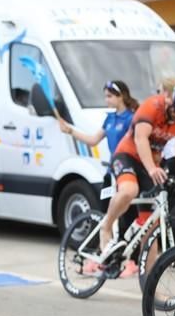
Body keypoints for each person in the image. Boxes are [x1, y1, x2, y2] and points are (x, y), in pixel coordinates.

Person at [59, 80, 139, 276]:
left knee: (127, 216)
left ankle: (130, 261)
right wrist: (70, 130)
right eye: (105, 96)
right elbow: (93, 140)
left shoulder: (131, 118)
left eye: (110, 96)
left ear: (121, 96)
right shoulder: (109, 119)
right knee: (104, 214)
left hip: (126, 171)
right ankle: (102, 254)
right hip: (110, 172)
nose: (106, 100)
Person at [99, 80, 175, 261]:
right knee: (130, 190)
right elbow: (140, 139)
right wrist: (152, 168)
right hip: (127, 156)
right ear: (169, 98)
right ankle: (106, 226)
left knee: (150, 225)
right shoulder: (152, 106)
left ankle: (149, 281)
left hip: (150, 164)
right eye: (174, 112)